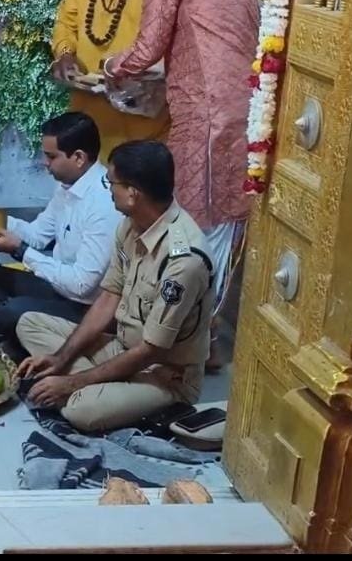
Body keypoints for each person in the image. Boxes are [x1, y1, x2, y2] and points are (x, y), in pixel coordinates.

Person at [15, 140, 213, 433]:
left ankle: (89, 389)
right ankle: (96, 384)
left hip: (160, 375)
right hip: (120, 349)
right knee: (28, 323)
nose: (108, 190)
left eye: (111, 183)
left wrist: (71, 381)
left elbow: (150, 350)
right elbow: (109, 297)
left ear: (133, 193)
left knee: (80, 410)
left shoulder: (183, 261)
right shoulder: (130, 226)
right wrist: (61, 358)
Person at [103, 0, 258, 313]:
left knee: (191, 221)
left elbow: (148, 48)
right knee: (223, 220)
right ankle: (206, 329)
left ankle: (184, 334)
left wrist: (111, 66)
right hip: (243, 110)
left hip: (203, 112)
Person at [0, 113, 121, 339]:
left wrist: (20, 251)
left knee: (14, 311)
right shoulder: (67, 186)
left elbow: (82, 285)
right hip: (57, 287)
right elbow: (37, 235)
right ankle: (13, 333)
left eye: (51, 157)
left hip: (86, 307)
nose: (45, 163)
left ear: (79, 157)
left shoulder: (103, 204)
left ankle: (14, 332)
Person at [51, 0, 170, 157]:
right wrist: (65, 53)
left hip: (144, 131)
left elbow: (174, 41)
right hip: (89, 125)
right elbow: (66, 22)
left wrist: (138, 75)